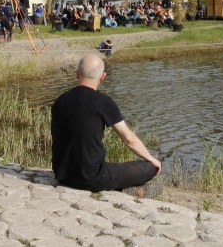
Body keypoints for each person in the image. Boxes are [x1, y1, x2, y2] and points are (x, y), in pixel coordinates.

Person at [51, 54, 161, 192]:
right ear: (103, 77)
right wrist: (152, 159)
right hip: (93, 177)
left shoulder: (60, 100)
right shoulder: (103, 102)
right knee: (149, 167)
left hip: (62, 174)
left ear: (77, 74)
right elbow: (129, 139)